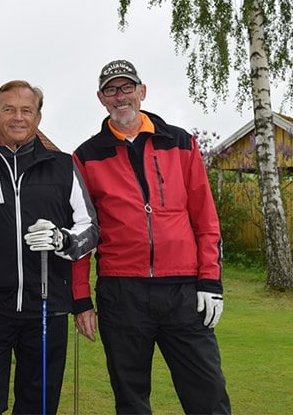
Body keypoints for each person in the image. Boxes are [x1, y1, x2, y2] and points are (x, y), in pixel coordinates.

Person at [73, 59, 231, 414]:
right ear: (101, 98)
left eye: (127, 87)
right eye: (111, 90)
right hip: (121, 293)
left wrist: (211, 281)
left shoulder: (181, 143)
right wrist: (81, 299)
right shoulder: (86, 156)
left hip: (183, 291)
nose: (120, 96)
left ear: (142, 92)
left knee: (208, 393)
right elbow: (83, 232)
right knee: (131, 399)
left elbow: (206, 219)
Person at [0, 80, 100, 414]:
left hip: (47, 308)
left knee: (38, 405)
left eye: (26, 110)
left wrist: (63, 240)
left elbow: (91, 229)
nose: (18, 117)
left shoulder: (63, 165)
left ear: (38, 117)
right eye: (9, 109)